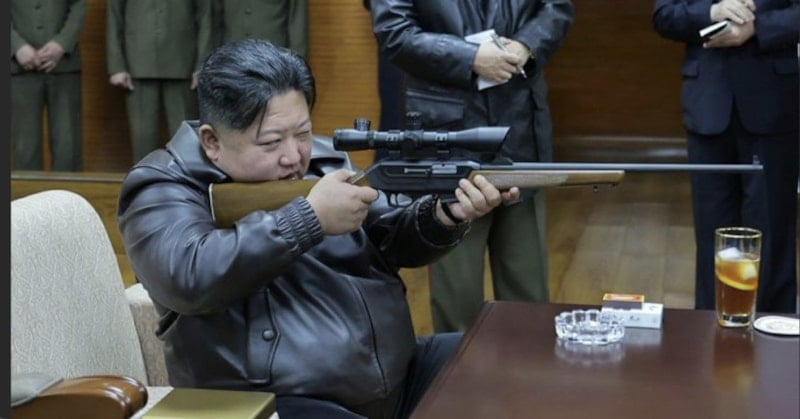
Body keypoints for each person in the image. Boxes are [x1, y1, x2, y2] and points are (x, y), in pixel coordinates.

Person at [117, 39, 518, 419]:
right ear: (211, 141)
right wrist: (309, 218)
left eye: (303, 133)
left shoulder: (326, 158)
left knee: (511, 360)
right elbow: (187, 276)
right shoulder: (161, 184)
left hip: (395, 377)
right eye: (271, 142)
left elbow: (392, 243)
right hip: (271, 401)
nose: (294, 156)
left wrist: (445, 215)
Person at [369, 0, 575, 331]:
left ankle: (531, 365)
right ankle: (459, 366)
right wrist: (470, 57)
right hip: (446, 133)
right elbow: (394, 31)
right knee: (457, 299)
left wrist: (527, 44)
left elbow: (557, 7)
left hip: (520, 123)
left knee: (528, 292)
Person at [653, 0, 799, 313]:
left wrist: (758, 28)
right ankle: (713, 332)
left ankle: (772, 332)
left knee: (772, 231)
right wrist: (712, 12)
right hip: (708, 104)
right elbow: (664, 15)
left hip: (773, 103)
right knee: (711, 236)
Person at [106, 0, 213, 163]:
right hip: (138, 64)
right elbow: (114, 16)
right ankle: (144, 179)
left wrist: (202, 65)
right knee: (143, 140)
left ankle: (186, 180)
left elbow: (206, 17)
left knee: (185, 141)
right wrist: (117, 66)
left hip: (182, 63)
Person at [11, 0, 86, 171]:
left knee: (68, 146)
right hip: (18, 68)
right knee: (25, 148)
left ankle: (68, 189)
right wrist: (16, 46)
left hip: (65, 65)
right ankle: (28, 190)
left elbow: (79, 4)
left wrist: (62, 44)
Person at [212, 0, 308, 59]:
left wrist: (298, 72)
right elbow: (214, 22)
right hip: (231, 61)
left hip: (274, 63)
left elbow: (297, 23)